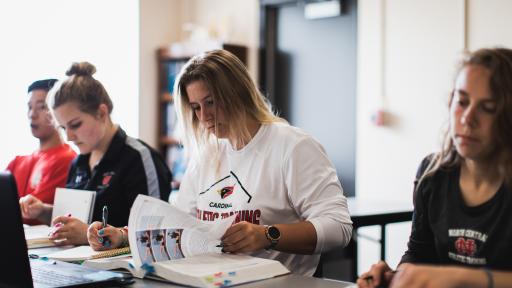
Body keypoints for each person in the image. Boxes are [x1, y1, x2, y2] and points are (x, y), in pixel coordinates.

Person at [357, 48, 512, 288]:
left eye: (488, 107)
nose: (467, 118)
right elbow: (419, 253)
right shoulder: (433, 173)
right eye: (461, 102)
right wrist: (398, 276)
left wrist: (460, 277)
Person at [19, 62, 172, 246]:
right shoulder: (78, 163)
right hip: (78, 266)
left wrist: (89, 234)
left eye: (75, 125)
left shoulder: (139, 158)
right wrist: (43, 211)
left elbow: (153, 235)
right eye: (63, 128)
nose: (68, 137)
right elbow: (75, 217)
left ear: (101, 112)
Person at [6, 79, 76, 225]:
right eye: (29, 107)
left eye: (41, 107)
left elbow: (24, 212)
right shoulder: (17, 161)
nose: (32, 114)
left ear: (57, 111)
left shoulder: (68, 160)